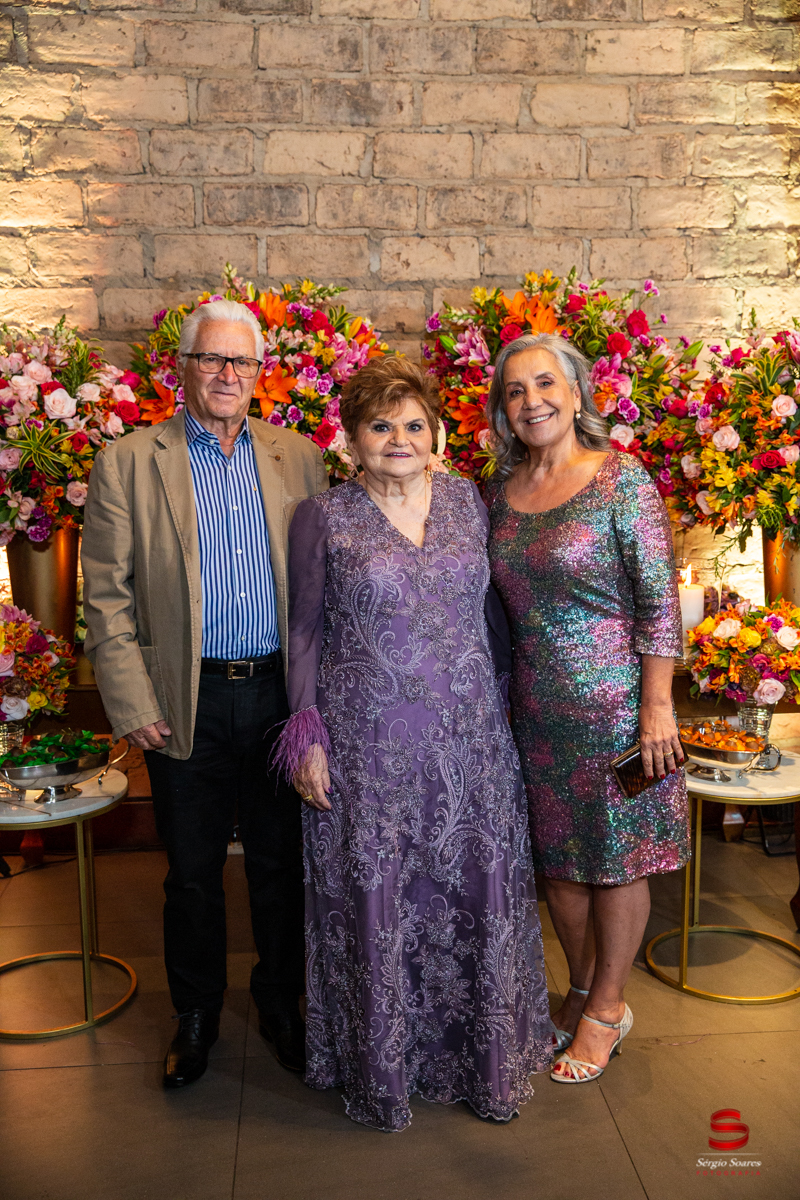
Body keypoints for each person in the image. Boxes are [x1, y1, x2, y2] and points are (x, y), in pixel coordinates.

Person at [274, 355, 552, 1132]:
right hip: (368, 752)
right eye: (380, 425)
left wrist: (513, 711)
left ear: (436, 434)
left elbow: (494, 617)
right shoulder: (322, 516)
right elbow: (303, 633)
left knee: (470, 896)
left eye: (413, 424)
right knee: (382, 904)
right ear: (351, 439)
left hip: (470, 742)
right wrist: (306, 738)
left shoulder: (468, 500)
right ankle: (386, 1070)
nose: (399, 438)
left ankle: (479, 1063)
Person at [81, 299, 328, 1089]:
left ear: (260, 373)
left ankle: (282, 1003)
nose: (228, 374)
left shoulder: (299, 457)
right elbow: (106, 596)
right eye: (212, 359)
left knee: (281, 865)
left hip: (278, 699)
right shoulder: (129, 462)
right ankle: (195, 1015)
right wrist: (132, 700)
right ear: (182, 368)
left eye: (242, 361)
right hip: (182, 700)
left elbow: (323, 589)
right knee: (190, 871)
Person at [485, 332, 689, 1085]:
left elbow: (659, 603)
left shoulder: (621, 480)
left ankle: (608, 1008)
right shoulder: (496, 493)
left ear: (575, 394)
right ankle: (578, 987)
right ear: (503, 410)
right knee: (560, 866)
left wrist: (657, 707)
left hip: (619, 713)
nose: (532, 400)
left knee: (617, 861)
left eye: (546, 383)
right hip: (534, 715)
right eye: (515, 390)